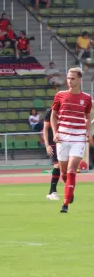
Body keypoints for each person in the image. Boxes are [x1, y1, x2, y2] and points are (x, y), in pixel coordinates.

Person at [50, 68, 93, 213]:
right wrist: (55, 133)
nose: (69, 81)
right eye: (68, 78)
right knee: (63, 172)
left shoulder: (86, 98)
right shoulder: (60, 95)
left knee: (71, 169)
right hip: (62, 136)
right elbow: (53, 115)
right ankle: (70, 189)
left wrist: (87, 132)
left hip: (78, 137)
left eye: (73, 78)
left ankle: (65, 204)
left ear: (80, 80)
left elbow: (87, 116)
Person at [43, 107, 61, 201]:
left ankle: (51, 193)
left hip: (63, 141)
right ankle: (53, 191)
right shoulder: (50, 112)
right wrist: (47, 145)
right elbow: (45, 129)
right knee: (57, 165)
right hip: (53, 142)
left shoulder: (66, 110)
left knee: (63, 167)